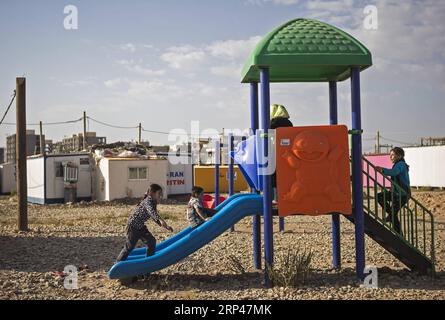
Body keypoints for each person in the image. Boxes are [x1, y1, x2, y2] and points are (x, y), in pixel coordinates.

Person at [116, 183, 174, 263]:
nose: (160, 195)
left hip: (140, 226)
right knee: (129, 247)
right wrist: (160, 220)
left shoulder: (153, 202)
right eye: (159, 193)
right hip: (133, 226)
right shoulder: (148, 201)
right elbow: (151, 211)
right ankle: (117, 264)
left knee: (151, 242)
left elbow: (154, 215)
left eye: (161, 193)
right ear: (152, 193)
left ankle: (148, 262)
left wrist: (165, 226)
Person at [375, 147, 411, 234]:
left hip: (403, 195)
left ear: (399, 156)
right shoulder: (398, 164)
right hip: (396, 194)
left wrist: (382, 169)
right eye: (390, 155)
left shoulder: (401, 164)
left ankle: (398, 232)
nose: (390, 157)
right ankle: (399, 234)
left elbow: (394, 172)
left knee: (393, 214)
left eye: (392, 155)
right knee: (380, 196)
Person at [270, 104, 293, 205]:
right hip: (287, 151)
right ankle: (283, 196)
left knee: (273, 175)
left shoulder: (274, 122)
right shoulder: (289, 123)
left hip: (274, 150)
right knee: (284, 175)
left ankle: (274, 198)